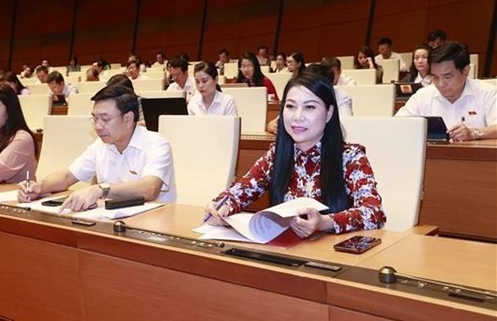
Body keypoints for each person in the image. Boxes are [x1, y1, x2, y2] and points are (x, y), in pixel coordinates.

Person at [205, 72, 385, 237]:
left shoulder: (351, 157)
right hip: (286, 254)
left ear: (329, 113)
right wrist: (221, 205)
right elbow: (239, 192)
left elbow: (374, 213)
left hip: (332, 258)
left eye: (310, 107)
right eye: (290, 106)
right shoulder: (277, 155)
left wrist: (325, 222)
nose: (297, 116)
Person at [17, 84, 177, 211]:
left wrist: (101, 189)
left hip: (154, 224)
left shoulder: (156, 144)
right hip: (112, 221)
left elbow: (149, 189)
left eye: (105, 119)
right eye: (94, 119)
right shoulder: (101, 145)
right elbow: (67, 176)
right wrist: (39, 187)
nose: (98, 127)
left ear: (128, 119)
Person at [395, 42, 496, 141]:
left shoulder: (487, 92)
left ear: (465, 71)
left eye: (447, 76)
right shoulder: (423, 96)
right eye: (435, 77)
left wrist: (473, 133)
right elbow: (397, 124)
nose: (440, 84)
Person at [266, 64, 352, 134]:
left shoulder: (341, 97)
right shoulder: (298, 93)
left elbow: (345, 125)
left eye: (310, 107)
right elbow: (275, 122)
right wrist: (273, 126)